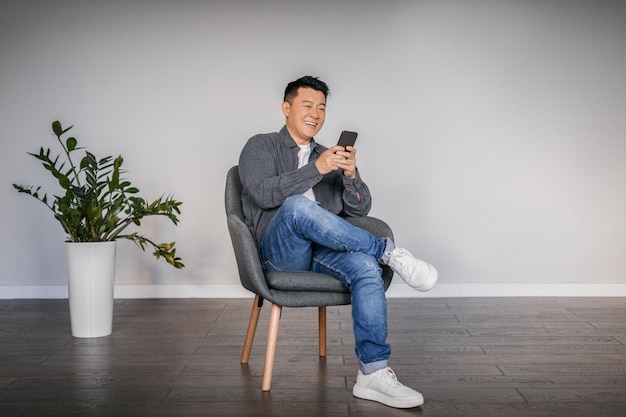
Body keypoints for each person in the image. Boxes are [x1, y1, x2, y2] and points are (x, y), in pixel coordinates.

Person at [238, 75, 438, 409]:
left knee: (365, 267)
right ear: (286, 108)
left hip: (321, 252)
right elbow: (262, 194)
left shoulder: (328, 154)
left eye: (321, 107)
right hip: (278, 254)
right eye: (307, 105)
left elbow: (359, 208)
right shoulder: (260, 146)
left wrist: (349, 175)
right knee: (298, 206)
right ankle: (388, 251)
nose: (315, 112)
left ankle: (373, 373)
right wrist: (315, 169)